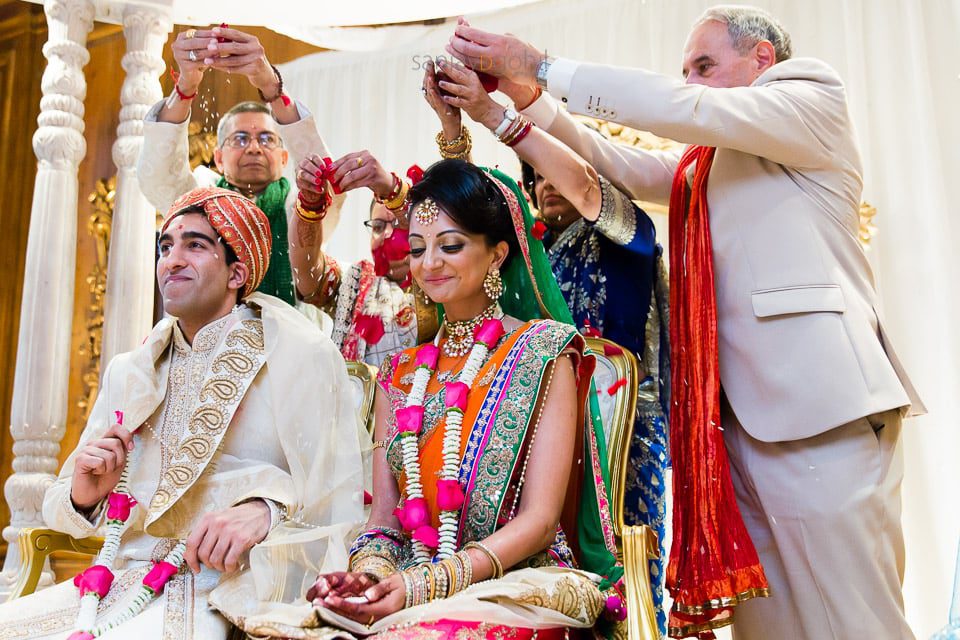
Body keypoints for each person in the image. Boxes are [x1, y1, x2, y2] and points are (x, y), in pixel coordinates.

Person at [446, 6, 924, 639]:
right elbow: (606, 166)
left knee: (853, 614)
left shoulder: (811, 96)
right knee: (770, 624)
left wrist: (542, 66)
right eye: (685, 71)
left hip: (821, 409)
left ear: (763, 60)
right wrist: (510, 111)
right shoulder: (709, 166)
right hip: (735, 424)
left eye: (705, 65)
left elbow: (688, 110)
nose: (692, 83)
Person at [209, 160, 626, 639]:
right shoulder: (401, 372)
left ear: (497, 254)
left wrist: (425, 585)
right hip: (411, 579)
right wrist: (367, 577)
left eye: (451, 246)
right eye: (417, 248)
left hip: (516, 582)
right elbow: (384, 521)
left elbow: (539, 520)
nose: (429, 264)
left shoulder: (544, 351)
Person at [0, 187, 365, 639]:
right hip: (113, 584)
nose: (172, 260)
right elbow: (60, 504)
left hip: (226, 587)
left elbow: (341, 501)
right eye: (165, 246)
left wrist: (268, 511)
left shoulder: (298, 355)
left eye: (195, 245)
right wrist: (85, 495)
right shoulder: (130, 371)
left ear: (237, 272)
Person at [428, 59, 671, 634]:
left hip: (621, 427)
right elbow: (465, 225)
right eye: (534, 177)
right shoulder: (526, 256)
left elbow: (587, 188)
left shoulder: (628, 233)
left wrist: (492, 113)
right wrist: (452, 130)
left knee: (626, 583)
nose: (544, 185)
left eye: (550, 172)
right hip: (529, 419)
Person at [137, 25, 342, 307]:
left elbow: (325, 181)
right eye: (241, 138)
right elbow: (158, 175)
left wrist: (271, 85)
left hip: (288, 340)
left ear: (284, 159)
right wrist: (185, 86)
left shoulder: (298, 206)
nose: (254, 147)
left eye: (267, 138)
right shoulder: (200, 202)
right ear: (219, 158)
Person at [290, 151, 438, 366]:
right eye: (378, 227)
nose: (387, 235)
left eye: (398, 225)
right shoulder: (356, 283)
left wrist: (392, 190)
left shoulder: (445, 282)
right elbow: (307, 274)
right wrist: (310, 204)